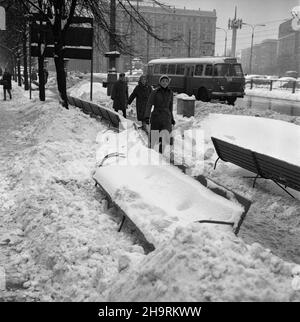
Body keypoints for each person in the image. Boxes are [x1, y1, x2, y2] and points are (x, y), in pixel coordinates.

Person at [144, 74, 175, 153]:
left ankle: (161, 154)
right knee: (154, 137)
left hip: (166, 118)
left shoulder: (170, 93)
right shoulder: (155, 92)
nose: (164, 83)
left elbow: (170, 107)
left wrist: (172, 118)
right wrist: (147, 116)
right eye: (163, 81)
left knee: (164, 137)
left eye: (166, 81)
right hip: (156, 117)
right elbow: (149, 104)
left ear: (168, 83)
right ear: (160, 82)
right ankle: (150, 154)